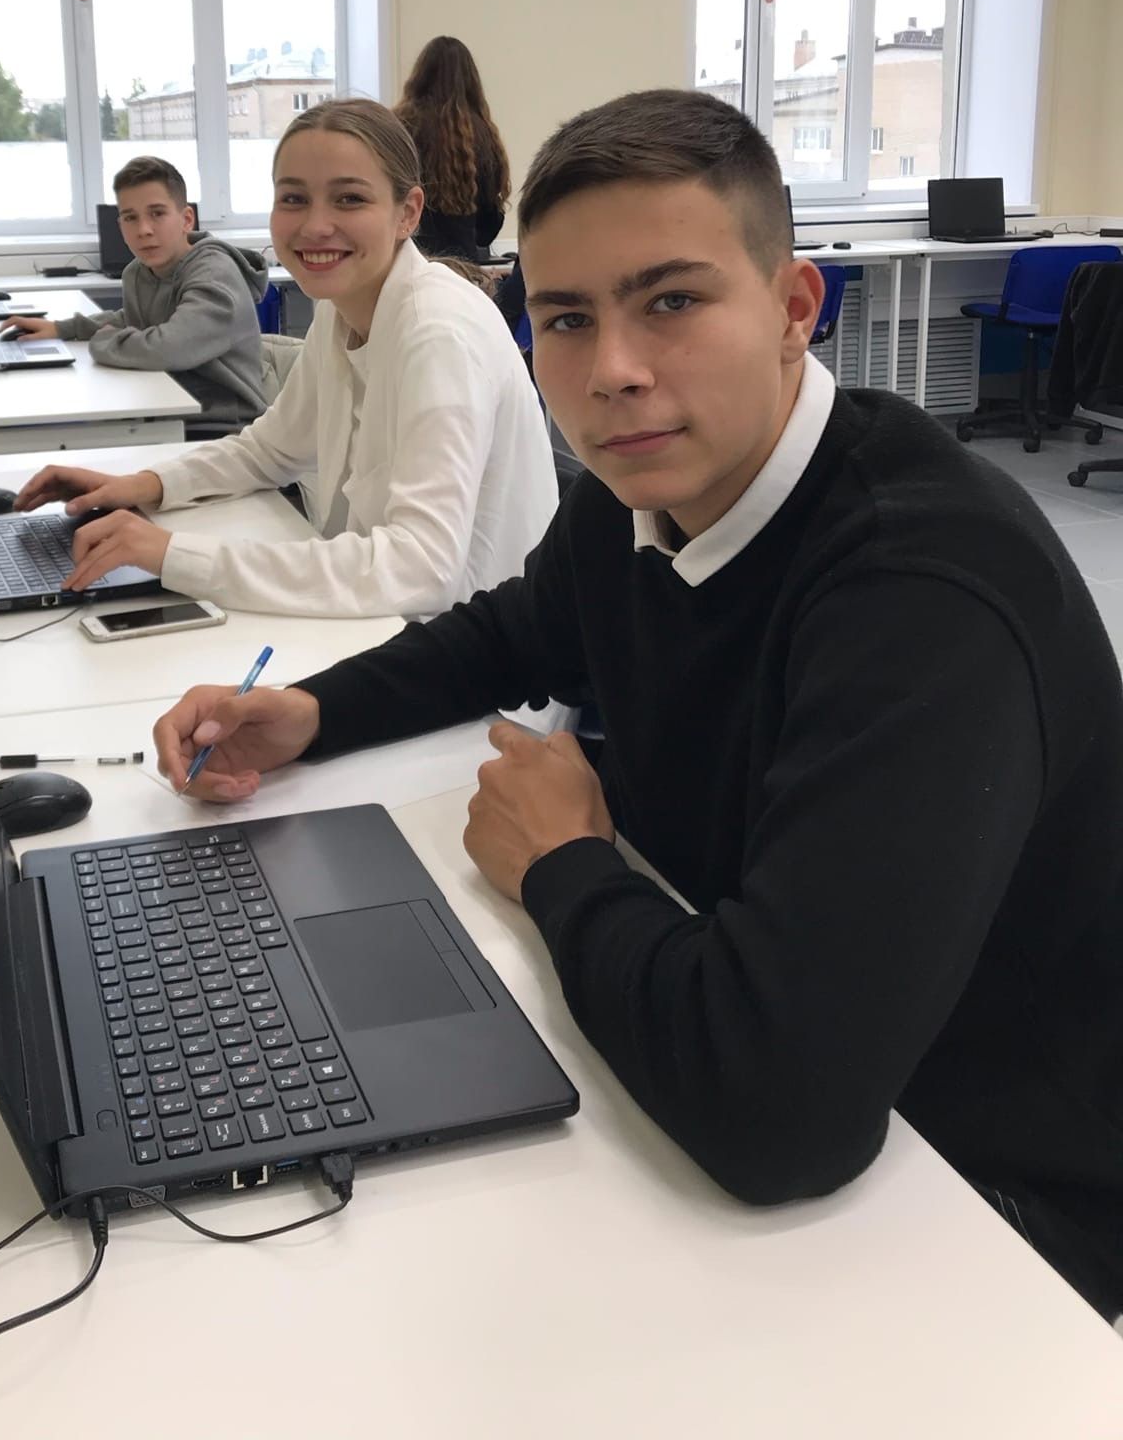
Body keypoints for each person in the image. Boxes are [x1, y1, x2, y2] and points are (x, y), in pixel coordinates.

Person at [152, 88, 1123, 1321]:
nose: (612, 371)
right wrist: (310, 712)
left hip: (992, 1197)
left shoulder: (923, 593)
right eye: (567, 318)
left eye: (671, 302)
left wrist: (564, 863)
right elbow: (511, 631)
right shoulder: (639, 494)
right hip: (752, 1025)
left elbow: (781, 1111)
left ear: (793, 311)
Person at [12, 98, 557, 619]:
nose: (315, 226)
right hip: (389, 622)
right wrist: (142, 484)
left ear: (407, 213)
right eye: (293, 199)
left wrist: (173, 554)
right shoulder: (341, 308)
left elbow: (421, 568)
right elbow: (269, 451)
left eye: (349, 199)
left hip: (476, 658)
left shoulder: (438, 333)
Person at [8, 156, 268, 424]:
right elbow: (137, 319)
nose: (143, 230)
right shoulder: (138, 272)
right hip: (165, 406)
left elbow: (169, 348)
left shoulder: (215, 273)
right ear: (120, 226)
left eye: (157, 213)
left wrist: (105, 341)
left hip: (222, 426)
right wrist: (63, 329)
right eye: (130, 218)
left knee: (70, 429)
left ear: (186, 219)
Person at [395, 35, 510, 263]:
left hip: (405, 260)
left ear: (419, 76)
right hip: (461, 267)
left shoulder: (399, 127)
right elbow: (486, 230)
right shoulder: (484, 135)